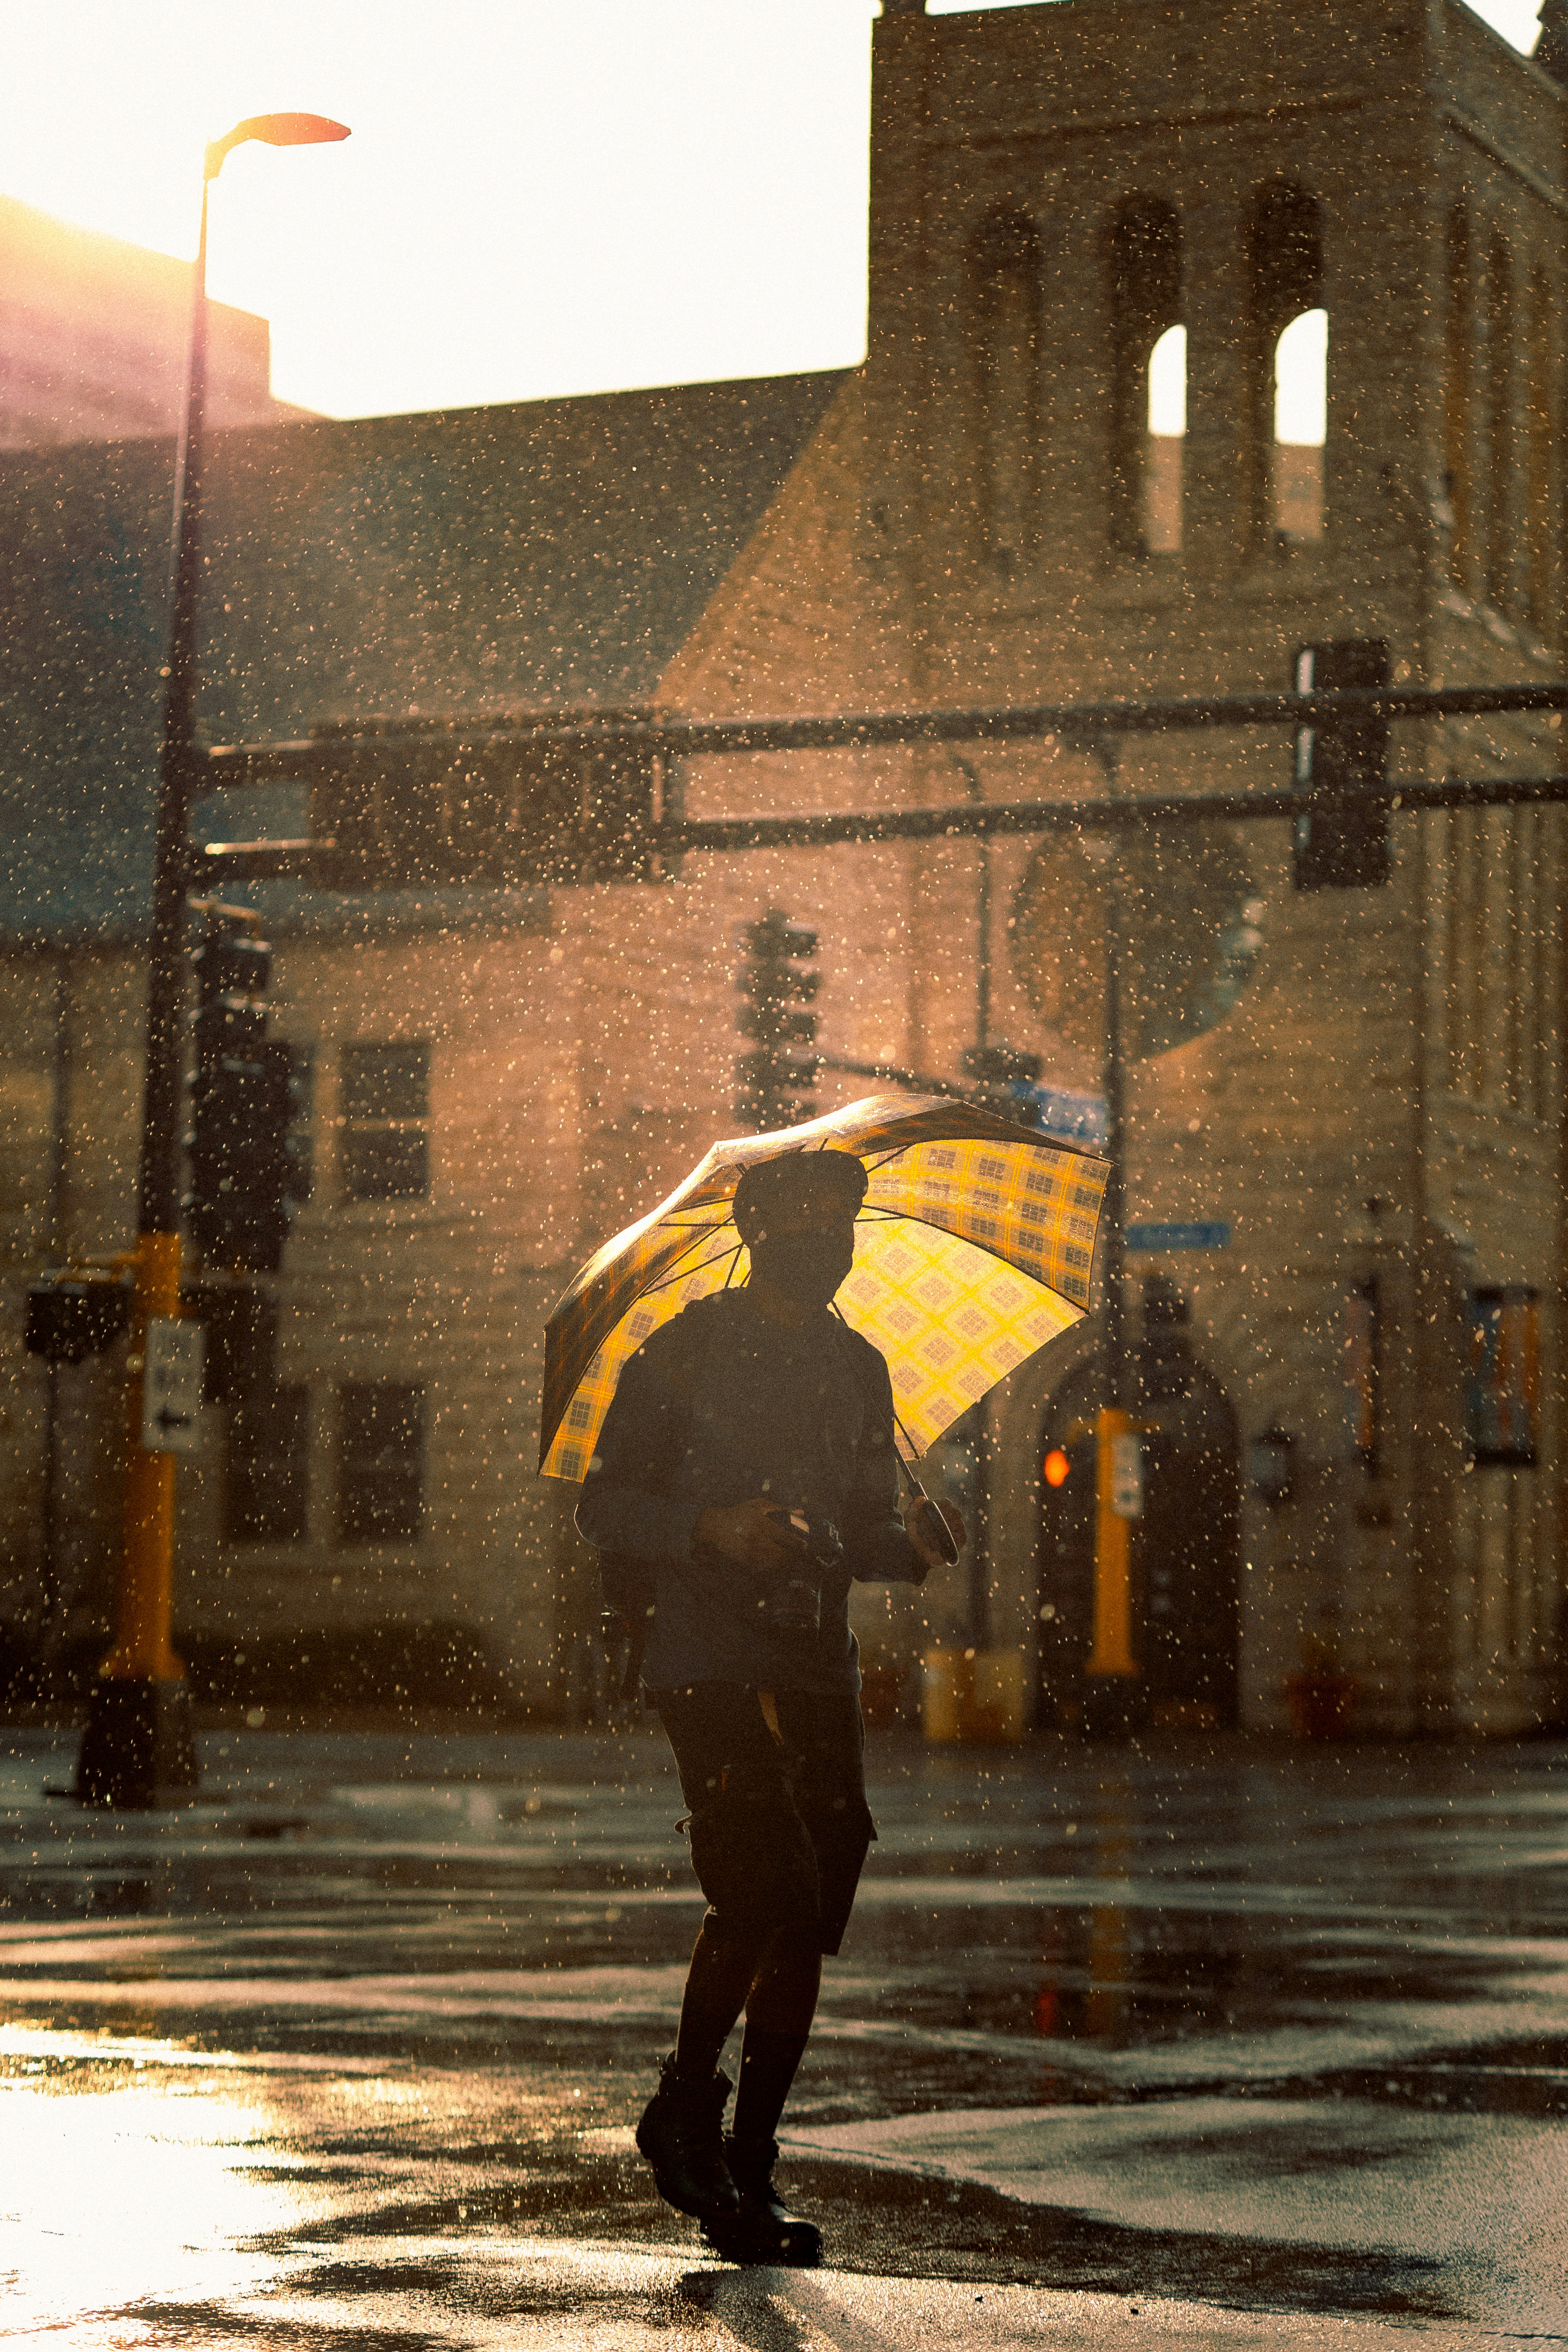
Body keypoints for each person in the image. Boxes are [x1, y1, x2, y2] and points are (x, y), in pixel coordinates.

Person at [575, 1147, 962, 2265]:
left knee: (810, 1911)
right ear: (756, 1230)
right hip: (703, 1654)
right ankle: (685, 2102)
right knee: (762, 1882)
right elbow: (605, 1505)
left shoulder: (861, 1367)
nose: (825, 1239)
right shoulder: (685, 1352)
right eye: (801, 1218)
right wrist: (710, 1525)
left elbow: (860, 1524)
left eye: (841, 1218)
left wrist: (914, 1546)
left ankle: (750, 2164)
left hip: (816, 1663)